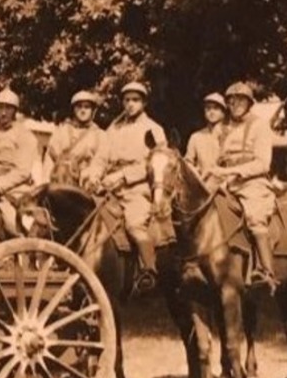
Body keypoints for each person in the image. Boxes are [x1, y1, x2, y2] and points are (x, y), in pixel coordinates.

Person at [83, 80, 167, 293]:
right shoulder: (114, 128)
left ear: (144, 103)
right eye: (127, 100)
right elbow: (101, 158)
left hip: (136, 189)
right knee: (85, 219)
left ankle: (149, 271)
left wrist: (122, 177)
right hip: (109, 188)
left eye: (135, 100)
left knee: (134, 224)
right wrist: (94, 175)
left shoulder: (154, 129)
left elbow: (155, 164)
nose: (130, 104)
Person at [210, 81, 276, 289]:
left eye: (240, 100)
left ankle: (266, 270)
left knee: (255, 217)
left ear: (249, 103)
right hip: (225, 183)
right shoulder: (221, 128)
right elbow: (216, 160)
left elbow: (263, 163)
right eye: (231, 100)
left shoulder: (260, 125)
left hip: (252, 183)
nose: (235, 104)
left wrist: (231, 172)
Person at [0, 89, 41, 234]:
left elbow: (22, 172)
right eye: (0, 107)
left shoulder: (25, 135)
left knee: (12, 225)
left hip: (16, 192)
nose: (3, 112)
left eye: (8, 108)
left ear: (14, 111)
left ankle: (23, 255)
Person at [46, 90, 103, 186]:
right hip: (57, 180)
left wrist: (92, 176)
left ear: (93, 111)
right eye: (79, 106)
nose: (83, 110)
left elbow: (100, 161)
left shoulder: (100, 135)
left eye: (87, 107)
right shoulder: (61, 131)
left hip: (83, 182)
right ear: (73, 109)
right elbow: (49, 158)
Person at [184, 92, 227, 178]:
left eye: (216, 108)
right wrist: (194, 171)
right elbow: (188, 161)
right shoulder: (196, 137)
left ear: (223, 112)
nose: (211, 112)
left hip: (227, 185)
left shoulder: (231, 135)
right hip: (203, 184)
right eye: (208, 108)